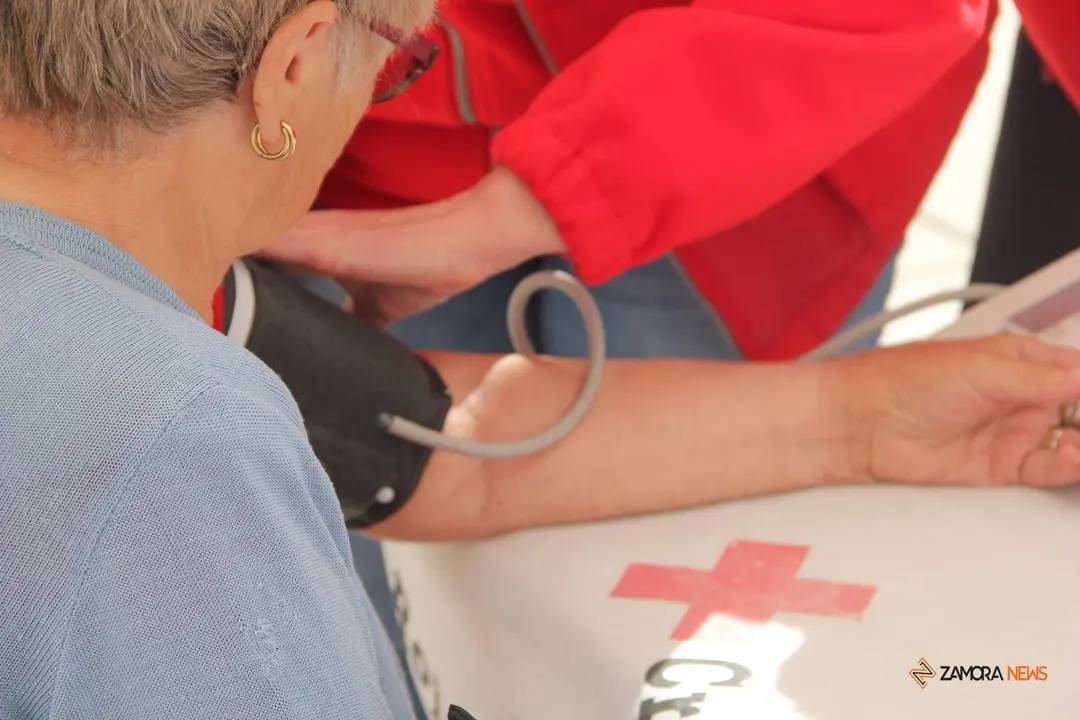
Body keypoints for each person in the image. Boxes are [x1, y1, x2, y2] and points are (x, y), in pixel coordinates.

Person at [3, 0, 1080, 718]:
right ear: (288, 69)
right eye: (397, 67)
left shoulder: (125, 288)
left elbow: (421, 443)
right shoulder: (178, 440)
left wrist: (861, 416)